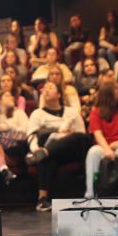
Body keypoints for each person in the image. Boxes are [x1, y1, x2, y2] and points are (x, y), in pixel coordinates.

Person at [25, 82, 87, 211]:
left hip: (71, 150)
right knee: (45, 155)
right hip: (52, 150)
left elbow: (82, 135)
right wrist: (35, 149)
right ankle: (42, 200)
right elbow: (31, 136)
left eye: (50, 87)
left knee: (78, 137)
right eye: (44, 89)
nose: (46, 90)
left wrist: (67, 135)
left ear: (59, 94)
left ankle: (45, 152)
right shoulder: (37, 114)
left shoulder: (72, 112)